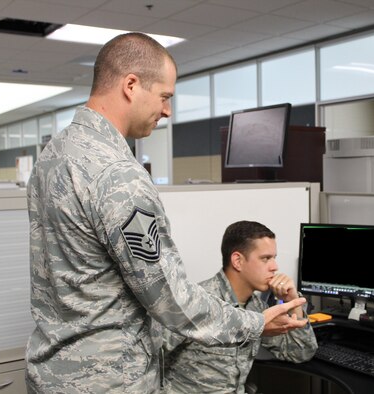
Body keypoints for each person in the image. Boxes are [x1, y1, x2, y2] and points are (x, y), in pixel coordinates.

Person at [25, 32, 307, 394]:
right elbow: (170, 298)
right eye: (164, 97)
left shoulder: (53, 155)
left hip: (52, 374)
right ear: (131, 85)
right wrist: (253, 323)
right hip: (107, 381)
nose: (168, 111)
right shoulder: (118, 176)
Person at [161, 220, 318, 393]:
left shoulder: (257, 307)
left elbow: (300, 353)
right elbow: (148, 357)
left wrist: (293, 303)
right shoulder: (196, 302)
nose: (275, 267)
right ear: (237, 261)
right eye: (265, 258)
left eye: (274, 258)